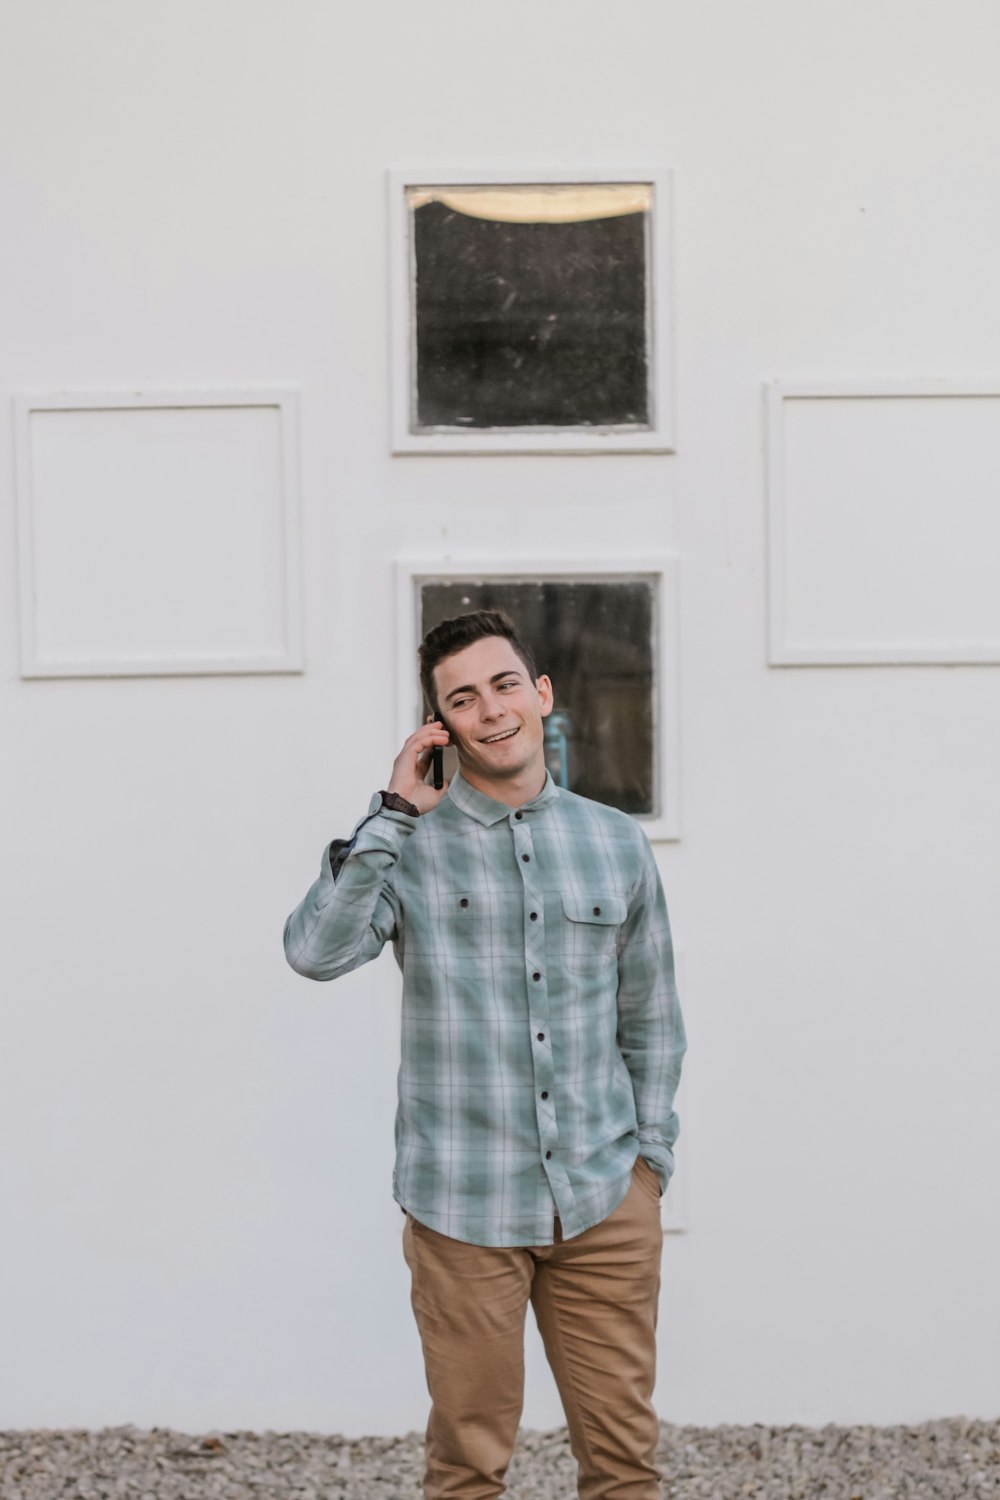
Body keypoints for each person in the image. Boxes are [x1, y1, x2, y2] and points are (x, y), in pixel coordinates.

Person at [283, 609, 686, 1500]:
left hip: (601, 1201)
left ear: (540, 694)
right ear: (441, 727)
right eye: (461, 698)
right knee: (468, 1466)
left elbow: (651, 1014)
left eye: (504, 684)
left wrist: (648, 1166)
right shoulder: (404, 843)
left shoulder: (615, 841)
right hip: (461, 1210)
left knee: (625, 1465)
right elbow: (315, 954)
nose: (490, 709)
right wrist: (390, 813)